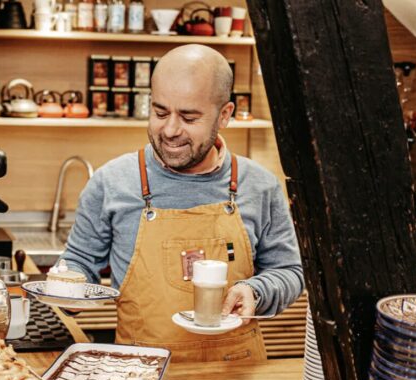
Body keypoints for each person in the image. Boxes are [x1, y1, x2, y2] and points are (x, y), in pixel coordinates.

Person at [59, 44, 304, 362]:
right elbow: (79, 261)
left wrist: (256, 291)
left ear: (225, 115)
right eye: (160, 112)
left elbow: (289, 271)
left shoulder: (260, 186)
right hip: (138, 375)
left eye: (189, 117)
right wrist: (71, 285)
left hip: (237, 375)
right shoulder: (112, 183)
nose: (171, 130)